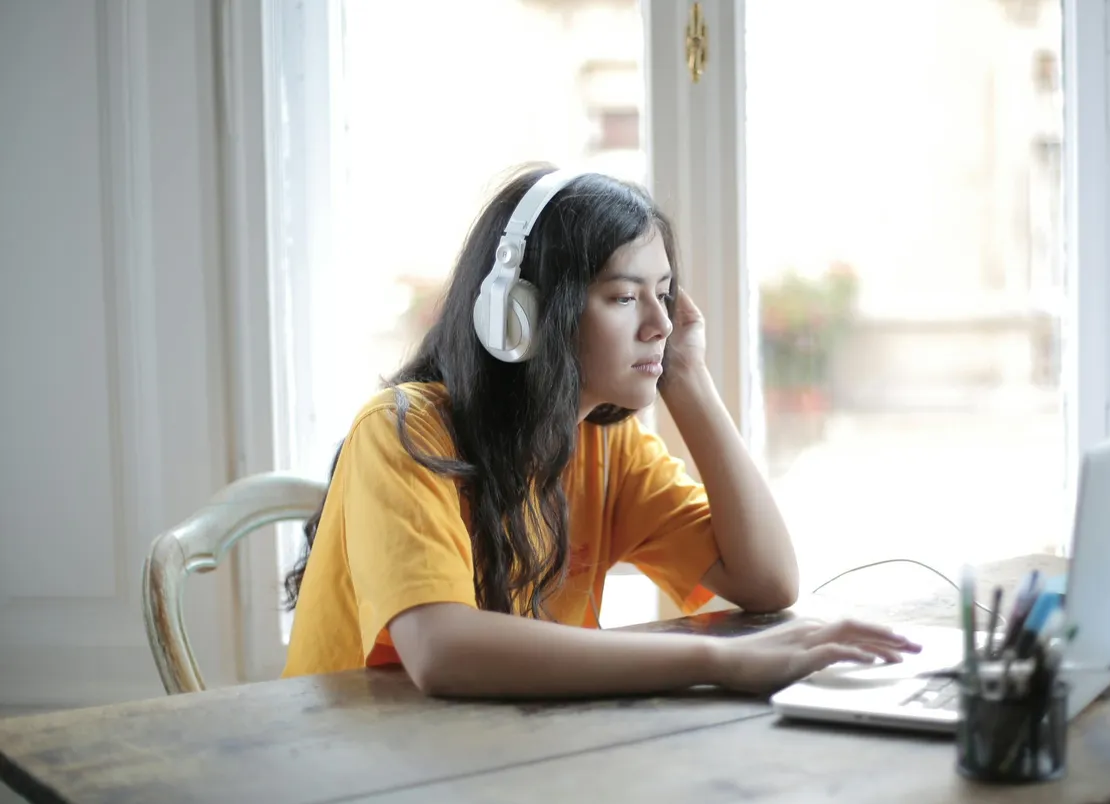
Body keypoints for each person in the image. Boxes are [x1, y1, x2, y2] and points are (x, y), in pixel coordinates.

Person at [281, 166, 921, 698]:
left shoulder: (605, 444)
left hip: (492, 759)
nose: (660, 324)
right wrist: (714, 663)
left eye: (664, 295)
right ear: (520, 315)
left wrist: (689, 382)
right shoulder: (404, 431)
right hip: (350, 777)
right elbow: (443, 650)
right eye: (623, 297)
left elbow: (766, 580)